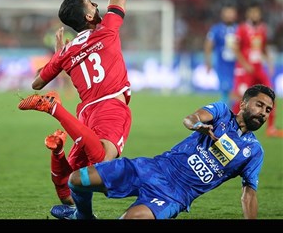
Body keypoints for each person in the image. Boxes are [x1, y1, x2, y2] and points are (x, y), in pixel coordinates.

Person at [50, 84, 275, 219]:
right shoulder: (221, 112)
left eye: (268, 110)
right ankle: (84, 217)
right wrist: (198, 126)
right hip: (152, 168)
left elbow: (250, 192)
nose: (263, 113)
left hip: (173, 196)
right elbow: (191, 118)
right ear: (244, 103)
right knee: (77, 179)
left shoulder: (253, 151)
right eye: (259, 105)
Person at [18, 0, 132, 218]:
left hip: (87, 115)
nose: (96, 5)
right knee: (103, 162)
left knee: (72, 182)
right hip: (110, 108)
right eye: (92, 4)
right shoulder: (108, 29)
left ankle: (80, 212)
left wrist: (57, 57)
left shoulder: (65, 52)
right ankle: (55, 109)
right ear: (90, 17)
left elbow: (36, 83)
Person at [231, 2, 283, 138]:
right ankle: (231, 124)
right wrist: (244, 63)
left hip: (258, 68)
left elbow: (263, 47)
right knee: (240, 98)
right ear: (248, 14)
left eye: (257, 13)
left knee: (270, 95)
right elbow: (235, 49)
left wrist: (269, 62)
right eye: (252, 12)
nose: (255, 15)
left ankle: (270, 128)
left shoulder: (262, 29)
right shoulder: (241, 29)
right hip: (244, 69)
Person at [204, 3, 238, 108]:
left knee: (236, 92)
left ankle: (230, 115)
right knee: (225, 90)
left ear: (235, 15)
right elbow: (208, 45)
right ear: (222, 15)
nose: (229, 15)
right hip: (222, 66)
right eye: (227, 13)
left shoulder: (239, 29)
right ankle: (226, 116)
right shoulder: (216, 29)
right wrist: (208, 62)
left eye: (231, 13)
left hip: (237, 65)